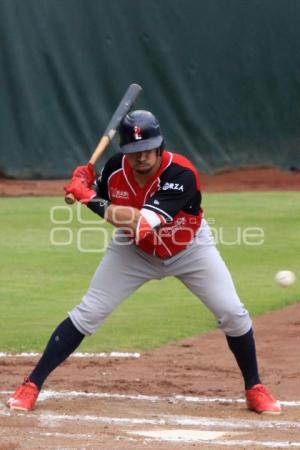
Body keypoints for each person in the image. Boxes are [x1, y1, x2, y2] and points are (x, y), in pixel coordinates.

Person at [7, 110, 281, 414]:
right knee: (89, 312)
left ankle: (254, 387)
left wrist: (89, 198)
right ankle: (31, 384)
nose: (141, 157)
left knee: (233, 313)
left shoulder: (181, 174)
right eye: (133, 151)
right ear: (124, 151)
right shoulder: (114, 169)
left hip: (189, 248)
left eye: (147, 149)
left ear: (159, 146)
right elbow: (102, 194)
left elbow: (140, 222)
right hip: (134, 251)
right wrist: (86, 183)